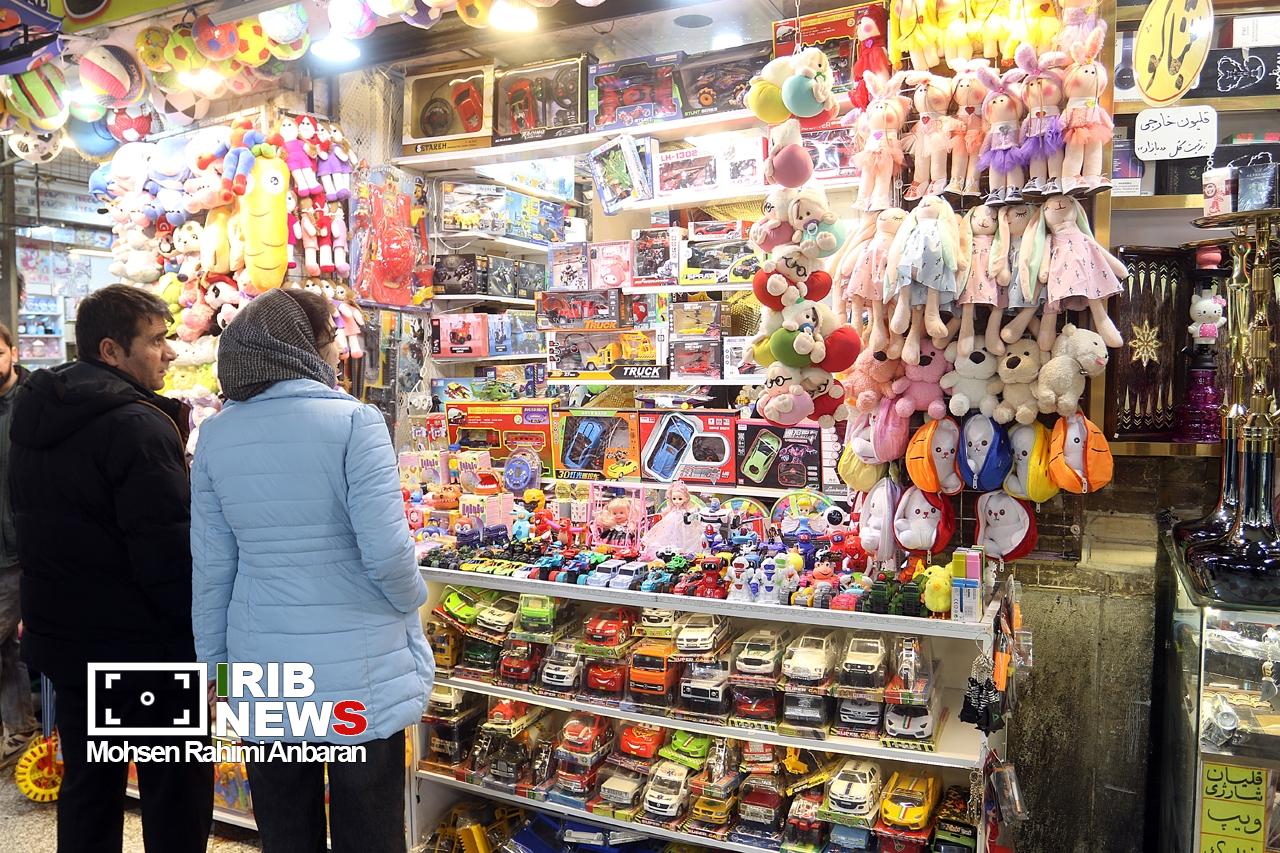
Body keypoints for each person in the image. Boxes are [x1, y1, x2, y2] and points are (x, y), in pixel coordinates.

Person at [191, 288, 433, 853]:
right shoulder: (354, 422)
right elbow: (388, 554)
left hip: (265, 668)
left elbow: (212, 570)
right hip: (359, 665)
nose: (337, 351)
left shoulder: (218, 435)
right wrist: (412, 602)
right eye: (331, 338)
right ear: (302, 346)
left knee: (285, 830)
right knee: (368, 831)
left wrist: (216, 668)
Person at [10, 284, 213, 851]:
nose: (170, 351)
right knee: (175, 793)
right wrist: (197, 641)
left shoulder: (35, 412)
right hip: (142, 645)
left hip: (67, 641)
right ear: (110, 350)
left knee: (90, 787)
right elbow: (166, 554)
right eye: (155, 340)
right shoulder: (136, 426)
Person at [0, 321, 36, 767]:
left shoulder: (33, 402)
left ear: (12, 352)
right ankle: (20, 728)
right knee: (7, 647)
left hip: (21, 547)